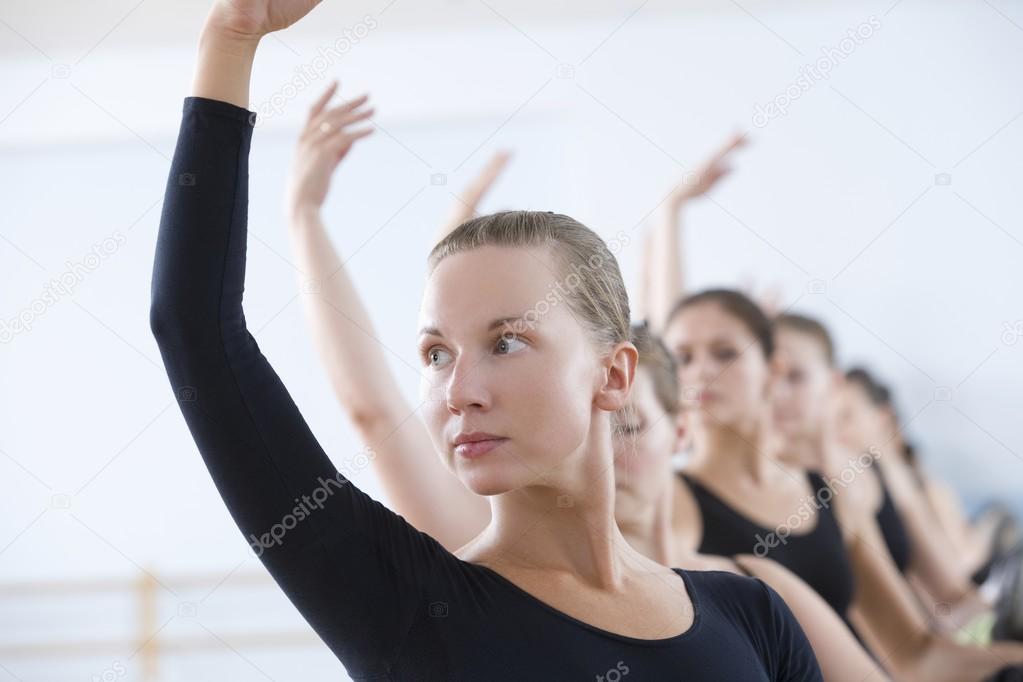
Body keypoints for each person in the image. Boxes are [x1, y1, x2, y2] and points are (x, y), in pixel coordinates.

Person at [148, 2, 823, 678]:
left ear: (614, 375)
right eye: (435, 354)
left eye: (506, 342)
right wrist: (230, 39)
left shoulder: (749, 615)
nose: (458, 392)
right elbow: (195, 328)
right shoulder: (405, 604)